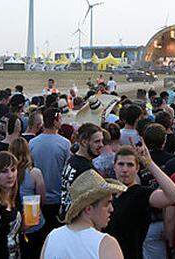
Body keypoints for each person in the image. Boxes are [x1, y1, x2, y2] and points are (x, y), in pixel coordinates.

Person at [105, 145, 175, 259]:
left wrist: (149, 163)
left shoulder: (141, 194)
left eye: (130, 165)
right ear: (114, 166)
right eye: (121, 164)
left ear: (137, 168)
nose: (125, 169)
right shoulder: (108, 193)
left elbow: (174, 196)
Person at [42, 169, 124, 259]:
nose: (111, 209)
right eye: (106, 204)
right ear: (88, 209)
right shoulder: (106, 244)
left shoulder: (52, 237)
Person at [26, 106, 70, 240]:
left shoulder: (32, 143)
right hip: (57, 200)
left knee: (36, 239)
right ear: (56, 121)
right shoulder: (65, 144)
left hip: (34, 200)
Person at [7, 137, 45, 258]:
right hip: (34, 222)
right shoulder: (35, 173)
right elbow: (42, 199)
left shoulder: (6, 174)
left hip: (15, 223)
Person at [59, 123, 103, 222]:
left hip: (66, 217)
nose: (101, 145)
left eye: (102, 141)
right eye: (97, 141)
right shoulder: (86, 170)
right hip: (76, 221)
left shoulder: (72, 160)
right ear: (84, 142)